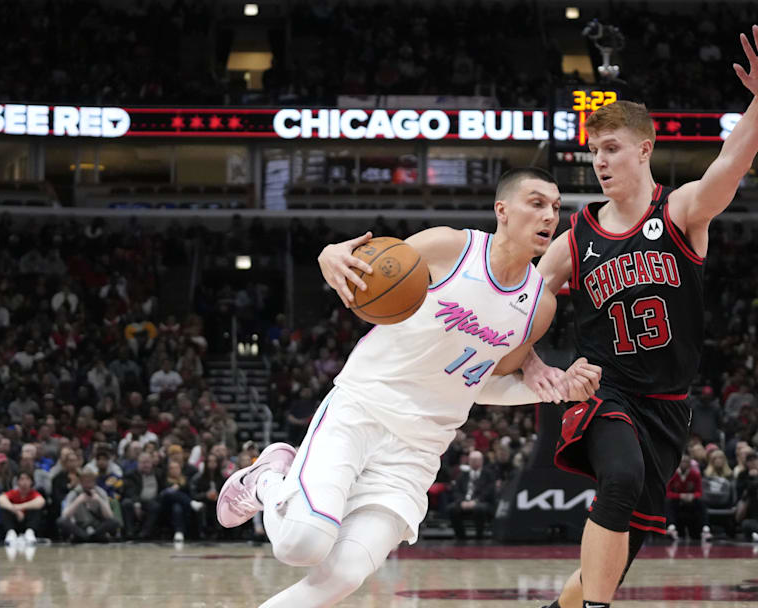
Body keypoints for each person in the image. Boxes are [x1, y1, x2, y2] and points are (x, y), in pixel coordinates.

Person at [217, 167, 602, 607]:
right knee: (301, 545)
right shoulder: (449, 247)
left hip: (417, 453)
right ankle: (266, 479)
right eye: (536, 203)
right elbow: (358, 264)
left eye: (555, 207)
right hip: (362, 410)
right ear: (503, 210)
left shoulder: (540, 306)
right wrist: (329, 256)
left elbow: (479, 384)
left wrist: (554, 389)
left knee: (342, 576)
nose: (549, 215)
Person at [525, 26, 758, 608]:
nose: (599, 161)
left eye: (611, 148)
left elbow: (732, 161)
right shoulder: (575, 237)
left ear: (644, 149)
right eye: (594, 151)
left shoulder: (683, 211)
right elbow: (523, 308)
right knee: (617, 482)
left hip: (668, 409)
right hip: (605, 392)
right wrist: (537, 364)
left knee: (618, 554)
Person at [58, 469, 121, 543]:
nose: (88, 484)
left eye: (90, 481)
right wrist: (78, 501)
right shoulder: (74, 493)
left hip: (97, 527)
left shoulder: (100, 492)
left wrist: (99, 500)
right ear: (81, 482)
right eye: (85, 482)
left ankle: (88, 537)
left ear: (94, 482)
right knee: (61, 521)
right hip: (80, 526)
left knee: (115, 521)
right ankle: (88, 537)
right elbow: (65, 515)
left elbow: (109, 516)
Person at [445, 450, 497, 540]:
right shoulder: (462, 475)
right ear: (469, 461)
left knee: (479, 508)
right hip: (464, 501)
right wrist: (462, 501)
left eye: (476, 460)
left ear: (481, 461)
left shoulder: (488, 474)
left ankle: (479, 536)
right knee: (452, 508)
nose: (474, 462)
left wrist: (475, 501)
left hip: (482, 502)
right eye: (472, 460)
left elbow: (489, 491)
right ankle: (461, 536)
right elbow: (456, 490)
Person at [664, 455, 711, 541]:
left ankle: (706, 529)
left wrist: (692, 496)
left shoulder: (695, 474)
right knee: (668, 502)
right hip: (677, 503)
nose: (684, 463)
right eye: (682, 461)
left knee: (701, 502)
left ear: (690, 463)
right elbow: (667, 493)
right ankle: (671, 528)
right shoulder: (673, 474)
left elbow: (699, 492)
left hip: (691, 503)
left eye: (686, 462)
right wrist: (680, 496)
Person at [0, 470, 46, 544]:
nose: (24, 482)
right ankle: (11, 532)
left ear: (31, 482)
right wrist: (15, 511)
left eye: (27, 479)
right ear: (17, 482)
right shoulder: (14, 493)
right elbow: (1, 499)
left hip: (28, 521)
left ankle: (30, 532)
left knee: (36, 509)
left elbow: (41, 502)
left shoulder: (34, 494)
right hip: (15, 521)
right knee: (5, 509)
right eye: (22, 479)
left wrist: (19, 507)